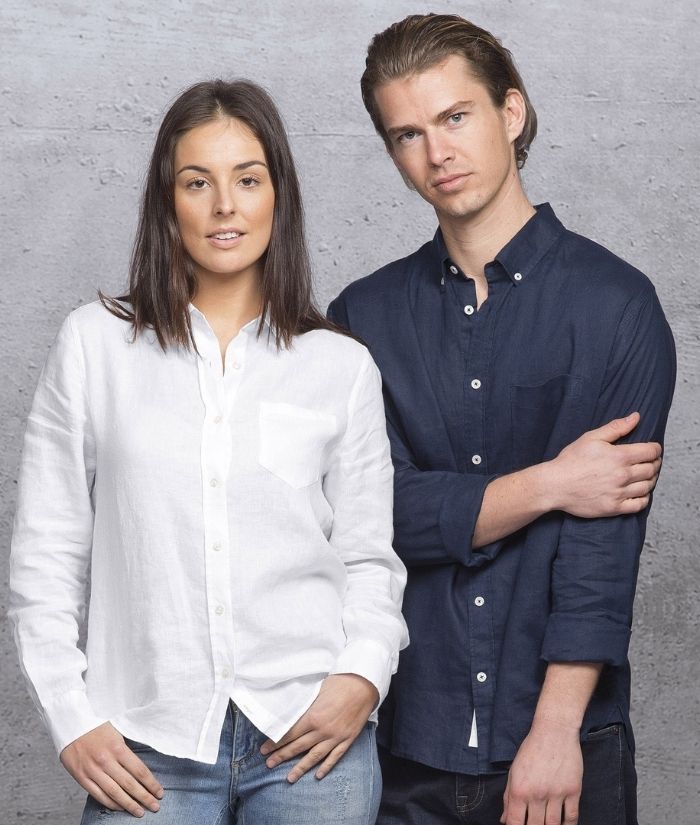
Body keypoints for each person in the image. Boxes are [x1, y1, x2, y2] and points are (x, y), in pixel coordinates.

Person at [9, 79, 408, 825]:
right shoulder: (95, 346)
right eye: (198, 182)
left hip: (310, 738)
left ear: (278, 196)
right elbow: (48, 550)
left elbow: (367, 558)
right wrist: (70, 715)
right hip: (146, 746)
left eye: (247, 180)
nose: (225, 205)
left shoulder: (341, 366)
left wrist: (361, 675)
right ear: (168, 203)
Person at [328, 13, 676, 825]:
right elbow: (367, 517)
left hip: (565, 743)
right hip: (407, 743)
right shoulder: (363, 318)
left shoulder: (616, 305)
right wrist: (551, 483)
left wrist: (554, 730)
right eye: (408, 134)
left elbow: (602, 549)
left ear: (510, 112)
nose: (437, 153)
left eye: (455, 117)